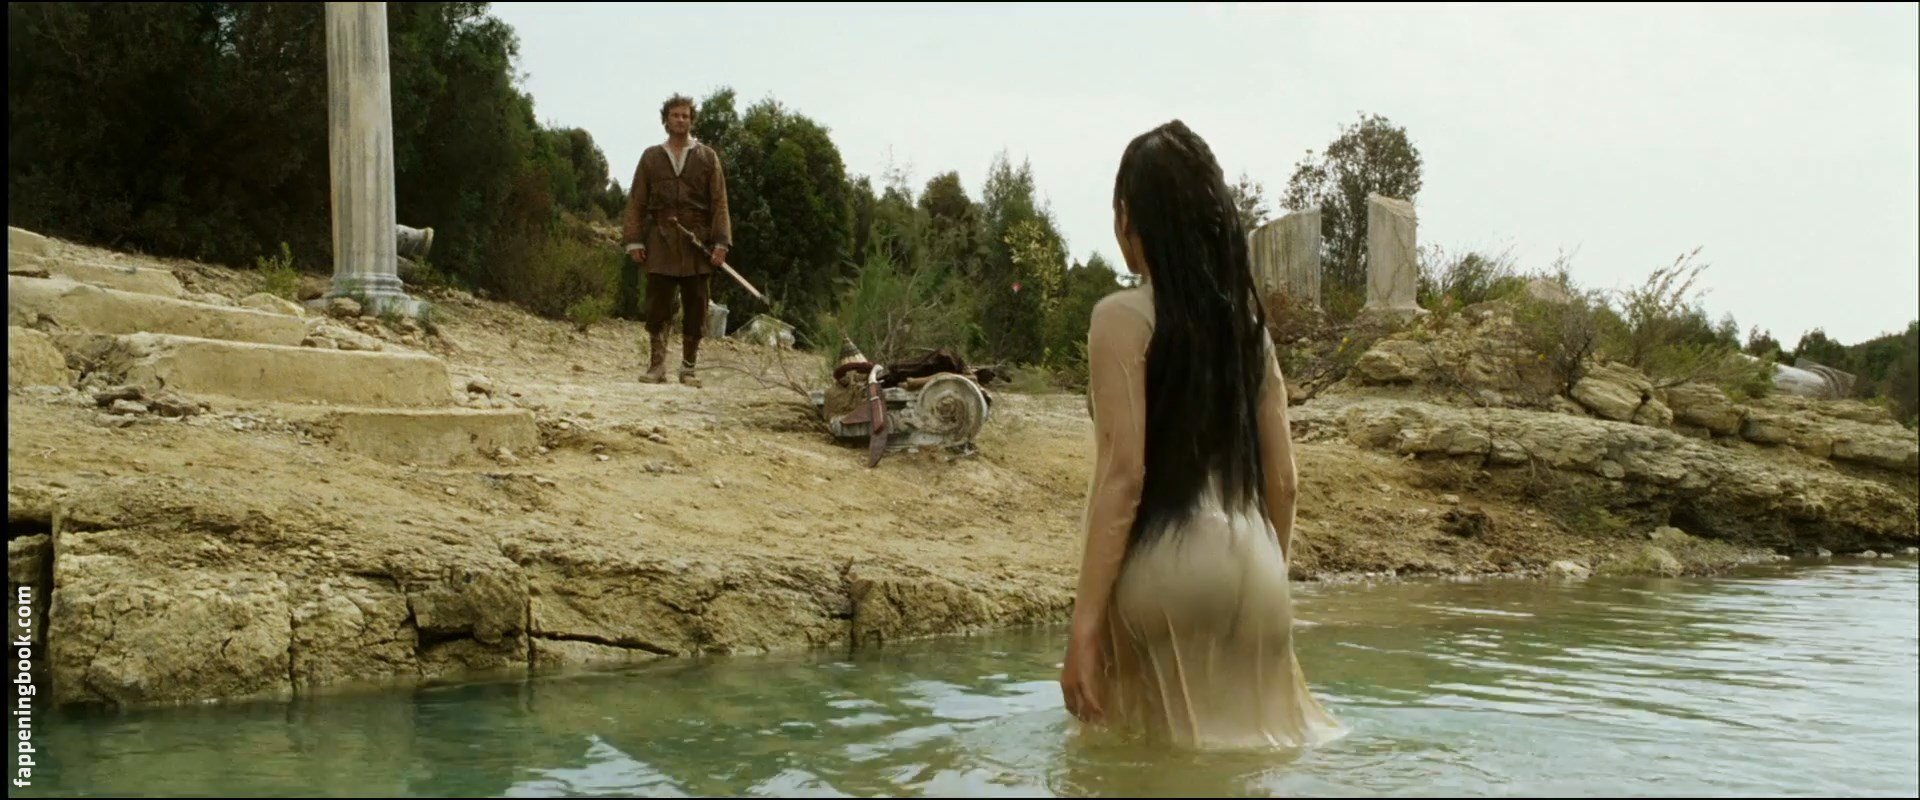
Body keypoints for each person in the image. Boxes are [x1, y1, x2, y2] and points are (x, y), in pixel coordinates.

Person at [1058, 120, 1345, 751]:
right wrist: (1267, 577)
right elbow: (1284, 483)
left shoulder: (1121, 318)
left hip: (1164, 569)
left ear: (1130, 218)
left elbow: (1124, 477)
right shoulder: (1249, 331)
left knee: (1136, 763)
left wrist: (1083, 627)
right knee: (1250, 764)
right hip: (1258, 568)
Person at [622, 93, 733, 387]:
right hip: (660, 239)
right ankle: (657, 366)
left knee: (697, 304)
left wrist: (721, 243)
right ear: (666, 120)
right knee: (657, 302)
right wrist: (634, 241)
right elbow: (636, 201)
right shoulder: (651, 157)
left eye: (685, 115)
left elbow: (719, 202)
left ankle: (688, 368)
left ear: (691, 120)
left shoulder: (707, 157)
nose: (680, 120)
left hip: (697, 241)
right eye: (675, 115)